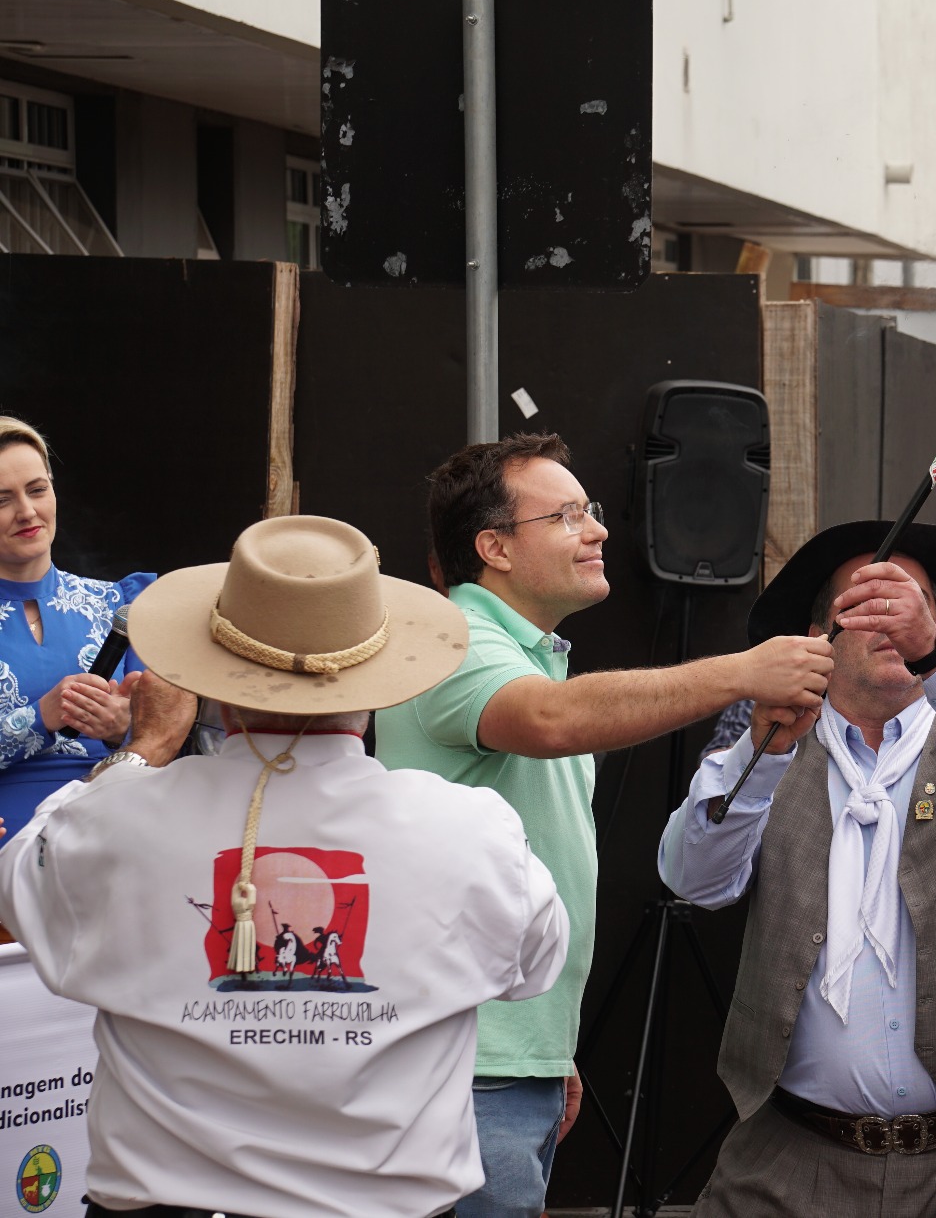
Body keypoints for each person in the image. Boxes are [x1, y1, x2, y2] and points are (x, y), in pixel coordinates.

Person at [0, 515, 569, 1218]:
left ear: (214, 683)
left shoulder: (117, 820)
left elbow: (20, 882)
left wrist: (142, 748)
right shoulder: (473, 829)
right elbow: (534, 967)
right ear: (376, 679)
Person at [376, 434, 833, 1218]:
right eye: (568, 514)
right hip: (459, 1068)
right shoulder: (456, 642)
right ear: (495, 548)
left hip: (500, 1061)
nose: (599, 529)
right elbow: (550, 719)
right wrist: (743, 670)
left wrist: (548, 1049)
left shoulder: (520, 654)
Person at [662, 520, 936, 1216]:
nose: (894, 620)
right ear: (819, 632)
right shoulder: (766, 740)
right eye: (868, 603)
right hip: (791, 1158)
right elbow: (692, 878)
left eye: (913, 605)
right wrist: (760, 757)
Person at [0, 416, 156, 835]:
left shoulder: (122, 602)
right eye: (2, 500)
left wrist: (122, 730)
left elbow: (176, 740)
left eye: (37, 489)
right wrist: (39, 717)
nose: (27, 512)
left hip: (113, 827)